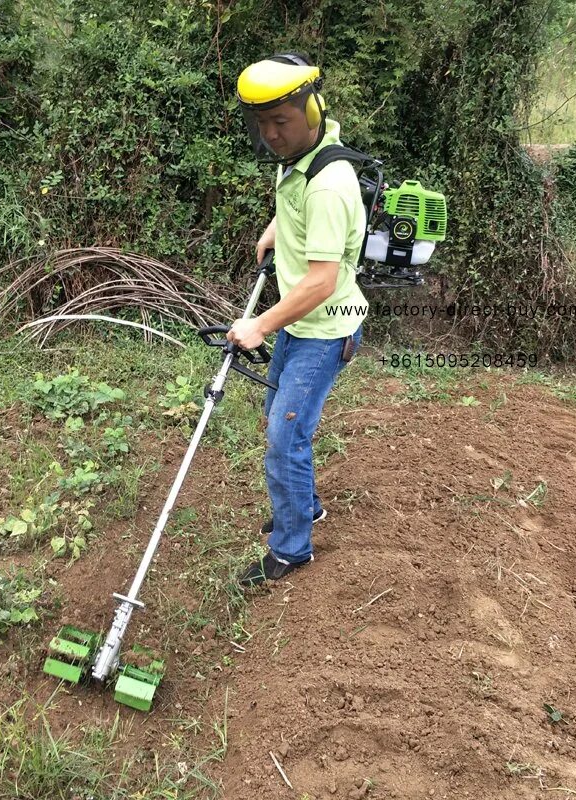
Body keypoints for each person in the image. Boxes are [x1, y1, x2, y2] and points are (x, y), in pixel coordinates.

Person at [226, 52, 368, 589]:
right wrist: (274, 230)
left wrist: (259, 325)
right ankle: (304, 509)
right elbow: (295, 207)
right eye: (261, 124)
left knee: (286, 438)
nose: (271, 134)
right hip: (301, 322)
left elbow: (321, 282)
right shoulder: (303, 161)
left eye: (280, 121)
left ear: (311, 108)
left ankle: (291, 548)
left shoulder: (330, 185)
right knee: (278, 416)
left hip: (324, 327)